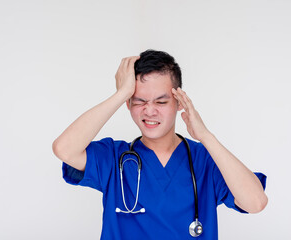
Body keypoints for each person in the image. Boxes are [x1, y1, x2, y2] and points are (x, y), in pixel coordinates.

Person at [52, 49, 268, 239]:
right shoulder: (114, 158)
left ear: (178, 102)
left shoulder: (206, 160)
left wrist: (205, 136)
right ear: (128, 103)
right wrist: (120, 94)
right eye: (139, 101)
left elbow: (256, 202)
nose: (150, 110)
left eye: (161, 101)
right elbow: (64, 149)